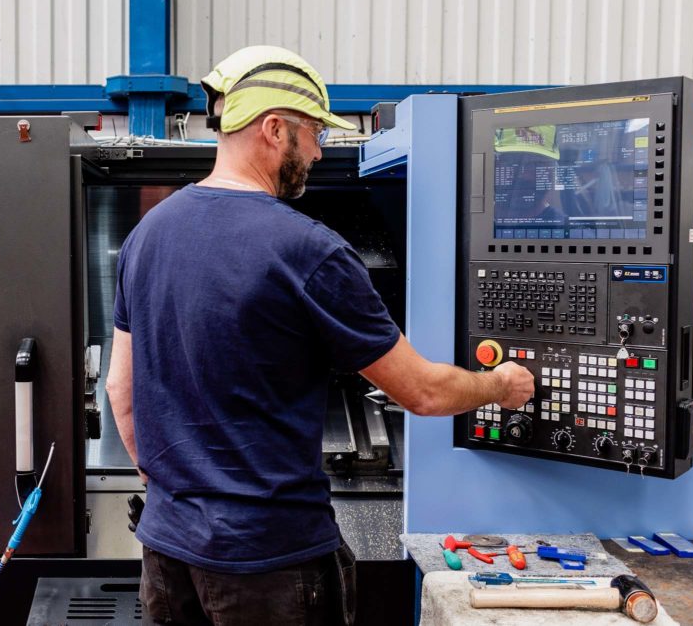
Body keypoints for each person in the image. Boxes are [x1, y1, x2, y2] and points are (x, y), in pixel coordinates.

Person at [106, 45, 535, 626]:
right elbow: (422, 393)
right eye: (313, 134)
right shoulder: (308, 249)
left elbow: (121, 392)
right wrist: (499, 386)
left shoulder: (146, 236)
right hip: (271, 562)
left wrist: (178, 494)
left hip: (166, 554)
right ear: (273, 128)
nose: (319, 150)